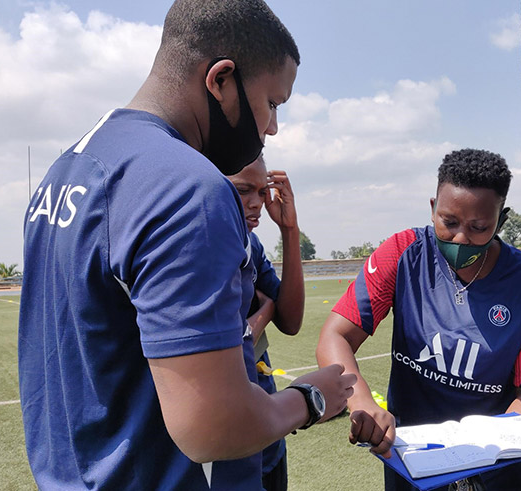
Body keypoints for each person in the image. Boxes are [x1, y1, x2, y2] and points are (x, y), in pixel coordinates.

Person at [18, 1, 355, 489]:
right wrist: (311, 398)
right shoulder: (186, 187)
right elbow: (213, 428)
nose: (273, 127)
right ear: (220, 80)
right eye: (273, 103)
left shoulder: (67, 166)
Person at [316, 149, 521, 491]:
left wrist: (480, 450)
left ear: (501, 221)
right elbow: (335, 337)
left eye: (479, 227)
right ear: (432, 209)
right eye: (449, 222)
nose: (461, 238)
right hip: (413, 464)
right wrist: (363, 404)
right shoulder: (403, 253)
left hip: (497, 472)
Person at [228, 155, 305, 490]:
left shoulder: (251, 244)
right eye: (244, 190)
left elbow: (291, 320)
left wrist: (289, 229)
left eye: (262, 192)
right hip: (225, 428)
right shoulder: (193, 245)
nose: (257, 203)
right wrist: (260, 317)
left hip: (266, 424)